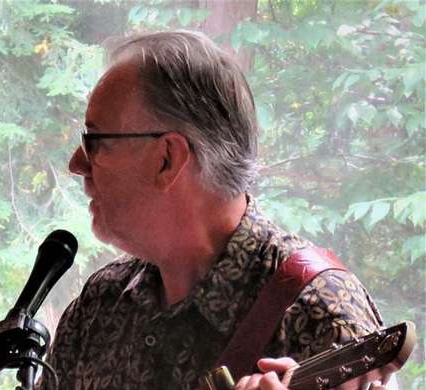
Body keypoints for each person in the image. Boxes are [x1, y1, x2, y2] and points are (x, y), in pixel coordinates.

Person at [37, 31, 386, 390]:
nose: (77, 163)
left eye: (95, 142)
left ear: (167, 159)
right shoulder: (101, 303)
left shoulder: (321, 311)